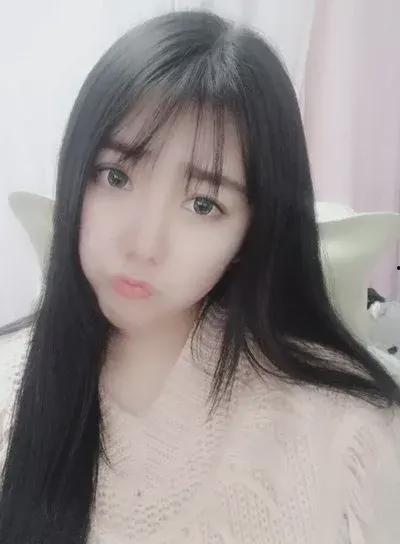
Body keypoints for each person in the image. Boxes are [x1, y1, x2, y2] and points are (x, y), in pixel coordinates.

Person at [0, 9, 399, 544]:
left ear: (252, 231)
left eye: (203, 204)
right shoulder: (11, 381)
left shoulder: (347, 430)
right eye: (115, 176)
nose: (144, 245)